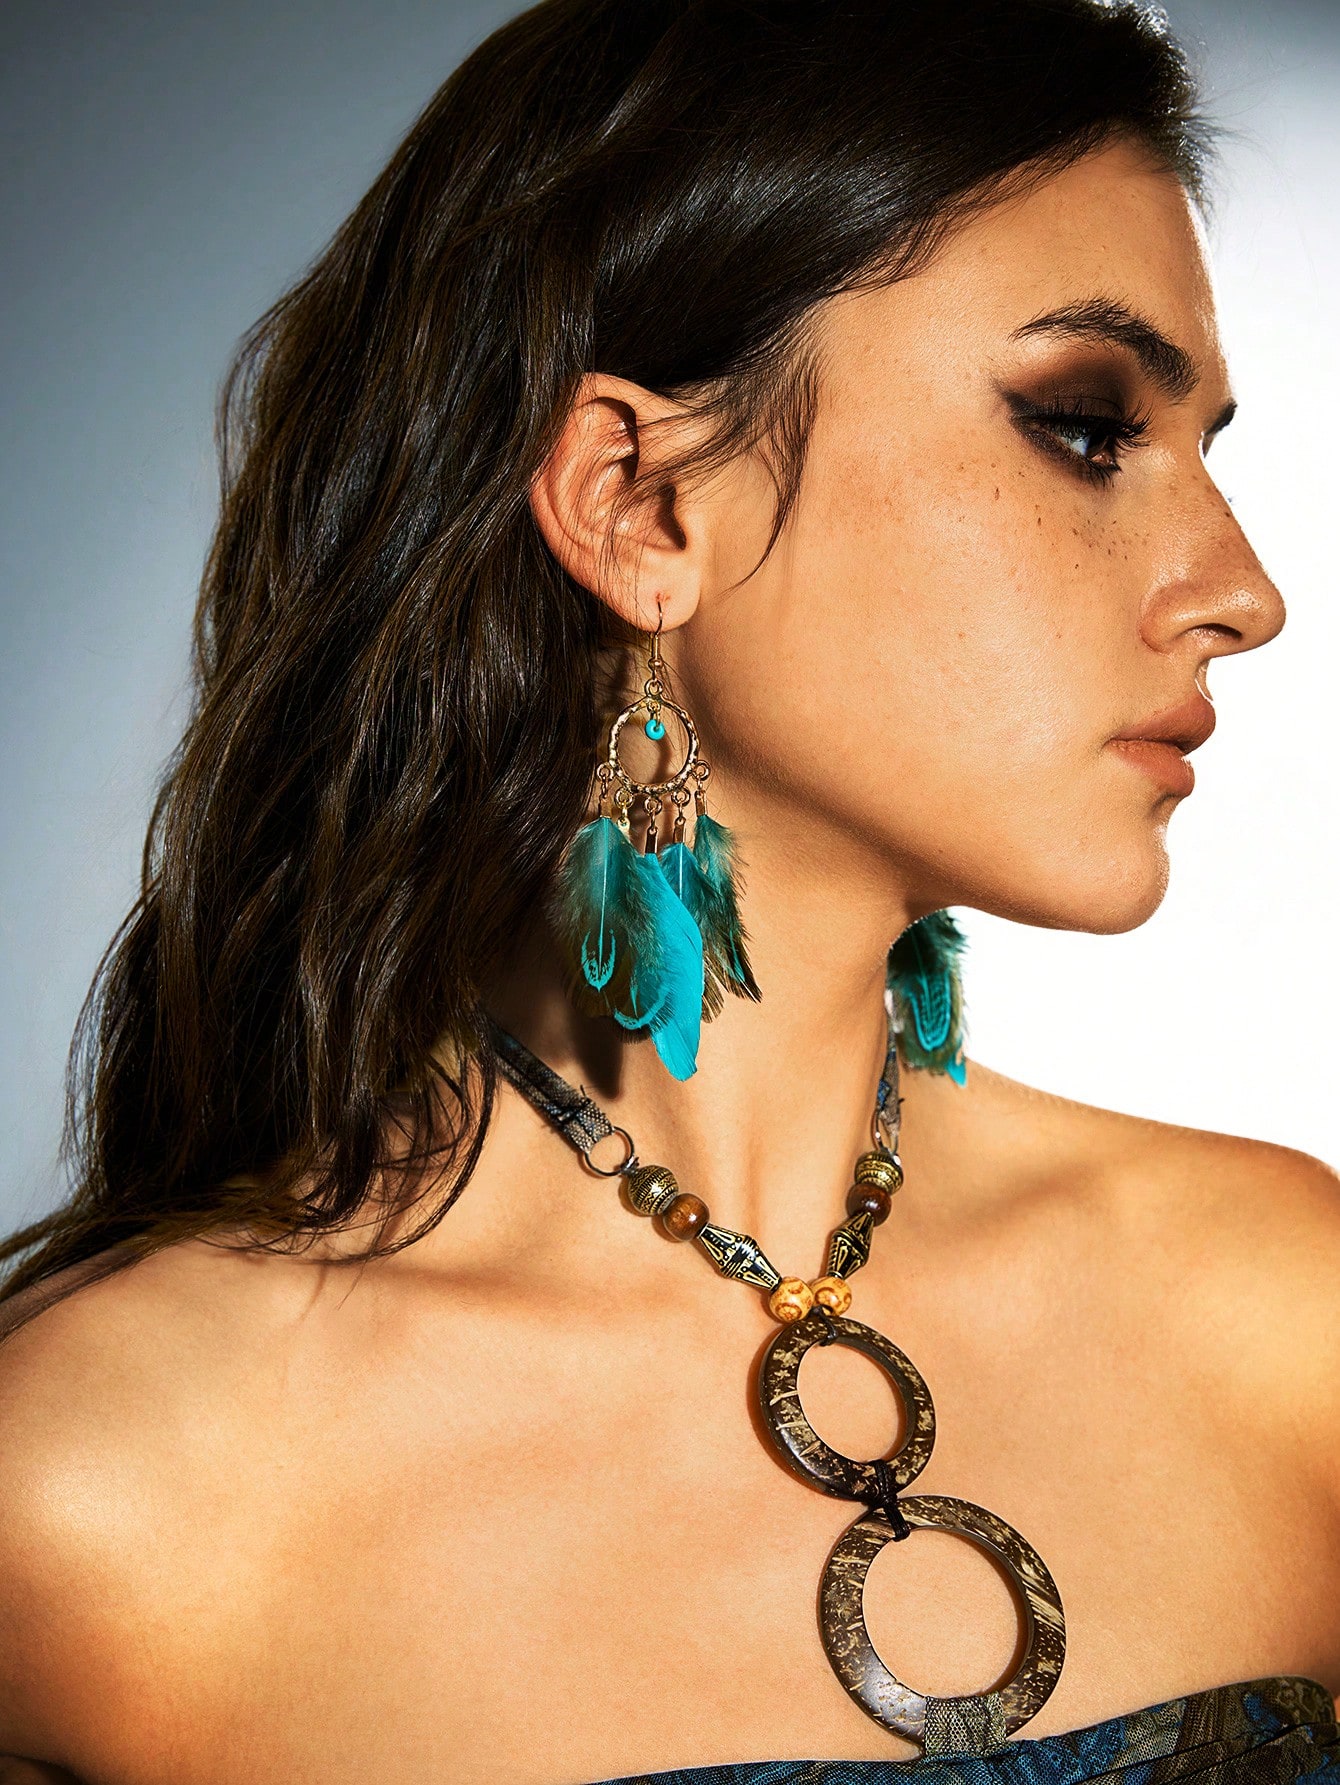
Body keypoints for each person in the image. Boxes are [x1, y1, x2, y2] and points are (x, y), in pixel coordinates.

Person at [0, 0, 1336, 1780]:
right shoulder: (97, 1498)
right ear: (641, 507)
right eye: (1087, 425)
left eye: (1205, 448)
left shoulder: (1287, 1318)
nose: (1242, 589)